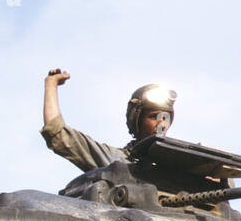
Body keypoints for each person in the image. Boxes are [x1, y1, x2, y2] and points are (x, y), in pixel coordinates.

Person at [41, 70, 177, 172]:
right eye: (154, 117)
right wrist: (51, 85)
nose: (162, 125)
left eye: (166, 118)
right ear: (136, 121)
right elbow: (58, 133)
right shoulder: (118, 161)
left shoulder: (180, 165)